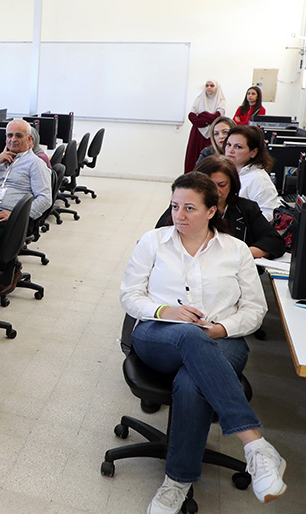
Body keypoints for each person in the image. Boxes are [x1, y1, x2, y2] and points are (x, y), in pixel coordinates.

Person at [120, 172, 287, 514]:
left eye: (189, 208)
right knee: (187, 334)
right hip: (158, 334)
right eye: (174, 206)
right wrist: (165, 311)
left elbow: (255, 310)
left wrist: (221, 329)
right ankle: (255, 444)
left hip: (222, 339)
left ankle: (177, 482)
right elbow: (130, 295)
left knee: (190, 382)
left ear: (212, 211)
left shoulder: (236, 250)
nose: (179, 215)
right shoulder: (153, 241)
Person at [156, 156, 285, 259]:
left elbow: (275, 242)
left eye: (222, 185)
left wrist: (242, 254)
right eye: (209, 185)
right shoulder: (182, 207)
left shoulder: (246, 208)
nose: (215, 191)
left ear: (232, 185)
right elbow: (159, 240)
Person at [0, 119, 53, 228]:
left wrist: (16, 214)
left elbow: (45, 199)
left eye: (19, 136)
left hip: (12, 218)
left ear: (29, 139)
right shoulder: (1, 161)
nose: (13, 139)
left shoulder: (35, 163)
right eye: (9, 135)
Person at [223, 125, 278, 221]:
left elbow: (268, 217)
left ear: (253, 152)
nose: (230, 150)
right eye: (229, 144)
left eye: (238, 147)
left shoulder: (258, 179)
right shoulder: (229, 172)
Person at [184, 80, 226, 174]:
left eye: (212, 85)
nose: (209, 88)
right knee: (193, 156)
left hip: (213, 133)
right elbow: (191, 116)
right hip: (197, 132)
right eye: (207, 85)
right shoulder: (199, 99)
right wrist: (206, 120)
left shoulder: (221, 101)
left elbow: (217, 117)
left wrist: (202, 116)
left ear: (217, 87)